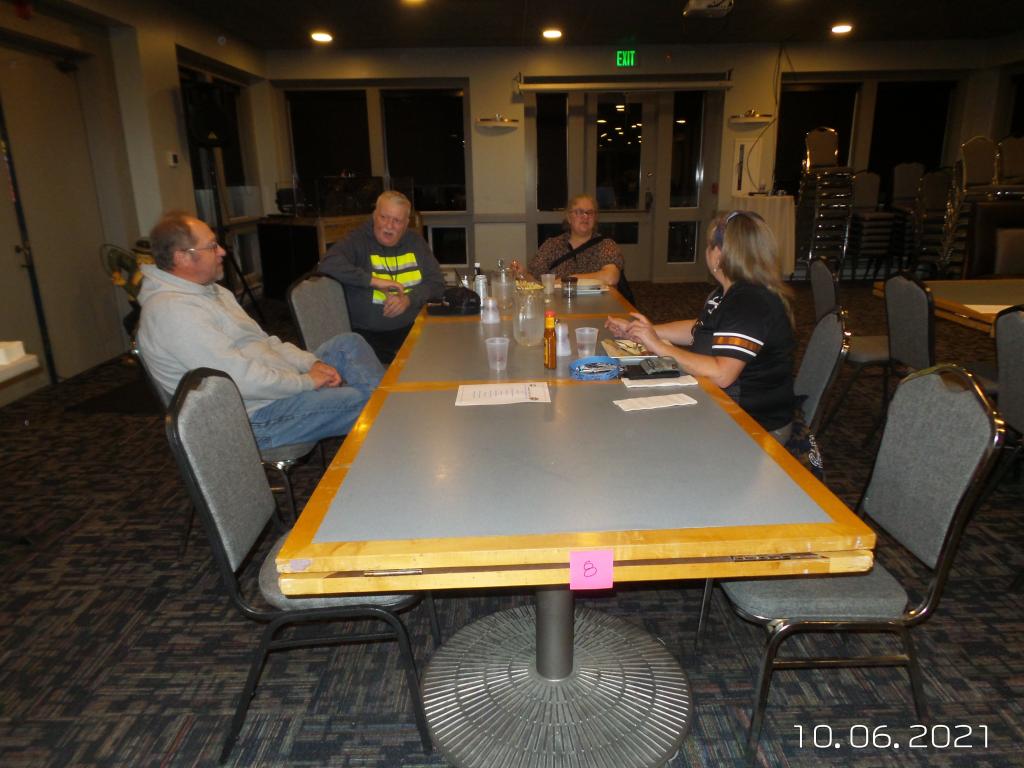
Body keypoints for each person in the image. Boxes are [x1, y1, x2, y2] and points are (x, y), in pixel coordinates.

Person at [136, 211, 384, 450]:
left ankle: (381, 428)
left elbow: (266, 343)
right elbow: (239, 380)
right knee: (368, 402)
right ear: (182, 257)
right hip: (252, 418)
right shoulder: (173, 312)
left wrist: (311, 364)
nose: (222, 251)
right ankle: (386, 427)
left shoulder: (213, 291)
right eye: (212, 246)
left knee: (348, 344)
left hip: (272, 387)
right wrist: (306, 382)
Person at [605, 211, 796, 437]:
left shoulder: (749, 302)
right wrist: (643, 332)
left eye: (708, 245)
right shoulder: (727, 293)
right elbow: (700, 328)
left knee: (641, 431)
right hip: (722, 406)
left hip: (751, 427)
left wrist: (659, 346)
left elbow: (722, 374)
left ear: (718, 255)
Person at [319, 191, 445, 363]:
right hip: (368, 339)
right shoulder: (358, 240)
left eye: (397, 220)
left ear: (406, 224)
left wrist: (408, 299)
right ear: (374, 216)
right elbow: (328, 263)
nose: (389, 225)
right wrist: (373, 281)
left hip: (413, 331)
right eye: (384, 217)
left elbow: (437, 283)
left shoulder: (415, 242)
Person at [527, 194, 624, 287]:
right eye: (579, 212)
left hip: (596, 299)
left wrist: (571, 279)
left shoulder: (606, 245)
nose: (585, 216)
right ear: (569, 218)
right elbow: (533, 279)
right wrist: (522, 274)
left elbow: (611, 278)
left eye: (590, 212)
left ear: (595, 219)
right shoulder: (552, 245)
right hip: (558, 299)